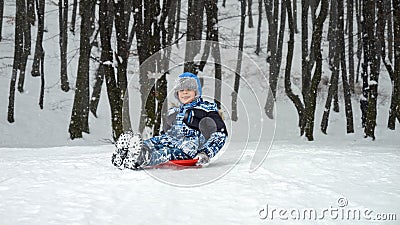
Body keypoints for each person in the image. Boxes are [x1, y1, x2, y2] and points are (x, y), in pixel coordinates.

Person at [111, 72, 228, 170]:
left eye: (189, 89)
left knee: (166, 152)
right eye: (181, 90)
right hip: (171, 139)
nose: (185, 92)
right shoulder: (175, 112)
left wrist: (206, 152)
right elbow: (165, 133)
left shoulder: (206, 109)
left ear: (196, 92)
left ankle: (142, 158)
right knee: (152, 142)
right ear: (177, 94)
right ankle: (126, 153)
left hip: (189, 148)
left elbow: (220, 133)